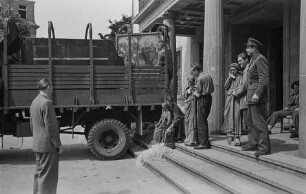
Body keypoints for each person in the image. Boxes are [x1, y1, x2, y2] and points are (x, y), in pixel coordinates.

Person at [30, 78, 62, 194]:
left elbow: (32, 126)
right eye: (52, 87)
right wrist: (58, 145)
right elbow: (51, 127)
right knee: (48, 178)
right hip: (47, 146)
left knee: (39, 175)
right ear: (48, 87)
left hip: (37, 145)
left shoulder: (34, 102)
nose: (52, 89)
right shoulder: (46, 103)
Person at [241, 38, 271, 156]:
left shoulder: (260, 59)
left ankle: (264, 147)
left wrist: (257, 94)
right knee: (250, 122)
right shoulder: (253, 60)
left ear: (254, 48)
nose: (246, 49)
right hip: (250, 96)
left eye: (248, 47)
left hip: (256, 97)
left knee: (259, 122)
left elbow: (264, 79)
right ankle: (253, 143)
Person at [191, 64, 214, 149]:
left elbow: (198, 94)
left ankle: (203, 143)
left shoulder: (200, 78)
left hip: (202, 99)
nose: (192, 74)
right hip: (209, 98)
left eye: (192, 72)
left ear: (196, 70)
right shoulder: (208, 75)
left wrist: (194, 91)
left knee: (201, 121)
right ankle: (204, 140)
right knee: (204, 120)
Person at [221, 63, 243, 146]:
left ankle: (237, 137)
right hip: (229, 99)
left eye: (234, 70)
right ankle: (230, 136)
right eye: (231, 70)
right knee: (227, 115)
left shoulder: (240, 77)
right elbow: (225, 86)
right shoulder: (230, 78)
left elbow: (242, 87)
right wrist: (230, 78)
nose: (232, 72)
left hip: (236, 99)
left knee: (236, 116)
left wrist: (235, 92)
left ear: (237, 70)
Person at [233, 52, 250, 136]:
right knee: (248, 123)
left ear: (246, 60)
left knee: (248, 122)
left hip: (247, 99)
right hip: (245, 99)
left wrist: (235, 93)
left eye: (240, 61)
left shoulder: (247, 70)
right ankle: (253, 142)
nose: (239, 63)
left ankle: (253, 143)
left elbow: (244, 86)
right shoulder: (245, 70)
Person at [183, 76, 197, 146]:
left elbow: (197, 95)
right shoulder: (186, 88)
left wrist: (193, 91)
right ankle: (187, 137)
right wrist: (188, 92)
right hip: (187, 105)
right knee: (186, 120)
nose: (189, 82)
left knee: (192, 120)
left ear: (193, 81)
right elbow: (185, 97)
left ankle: (192, 138)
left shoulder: (196, 87)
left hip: (193, 105)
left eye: (190, 81)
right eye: (188, 81)